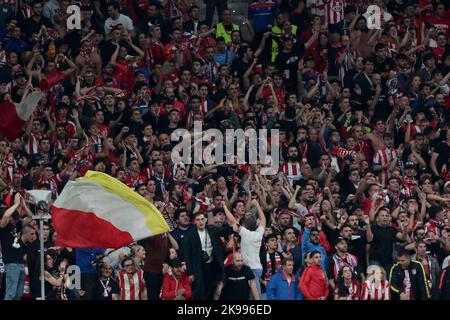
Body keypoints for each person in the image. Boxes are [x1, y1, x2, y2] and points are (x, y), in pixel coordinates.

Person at [223, 199, 265, 298]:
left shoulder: (245, 233)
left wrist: (225, 206)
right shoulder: (259, 233)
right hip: (257, 267)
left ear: (245, 226)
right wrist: (257, 205)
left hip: (251, 268)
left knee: (254, 296)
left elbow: (232, 220)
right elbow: (263, 220)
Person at [0, 193, 36, 300]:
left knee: (18, 295)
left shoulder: (16, 225)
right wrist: (16, 204)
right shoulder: (3, 226)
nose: (16, 220)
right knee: (10, 294)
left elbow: (30, 217)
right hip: (11, 264)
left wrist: (23, 205)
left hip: (20, 263)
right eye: (14, 218)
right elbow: (6, 215)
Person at [183, 212, 225, 300]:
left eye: (202, 219)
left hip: (212, 265)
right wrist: (190, 273)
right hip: (198, 267)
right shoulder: (190, 235)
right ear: (195, 222)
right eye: (198, 220)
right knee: (199, 291)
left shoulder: (212, 229)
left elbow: (225, 231)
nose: (201, 222)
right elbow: (187, 256)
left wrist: (234, 226)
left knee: (211, 289)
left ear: (206, 220)